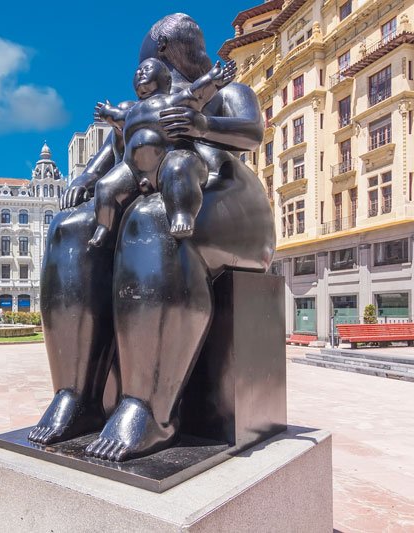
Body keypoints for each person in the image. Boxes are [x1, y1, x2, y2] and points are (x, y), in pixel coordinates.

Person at [29, 13, 275, 462]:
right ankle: (76, 396)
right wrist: (86, 176)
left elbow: (252, 134)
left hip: (228, 204)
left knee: (152, 217)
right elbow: (110, 153)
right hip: (158, 191)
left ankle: (150, 409)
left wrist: (201, 127)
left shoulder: (224, 91)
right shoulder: (145, 104)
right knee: (69, 230)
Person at [89, 58, 232, 246]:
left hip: (168, 158)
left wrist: (212, 80)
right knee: (105, 186)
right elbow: (115, 117)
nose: (140, 73)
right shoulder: (131, 112)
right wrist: (106, 111)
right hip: (133, 171)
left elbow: (195, 93)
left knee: (179, 168)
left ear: (166, 80)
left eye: (147, 69)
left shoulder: (172, 100)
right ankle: (104, 227)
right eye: (137, 71)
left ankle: (182, 214)